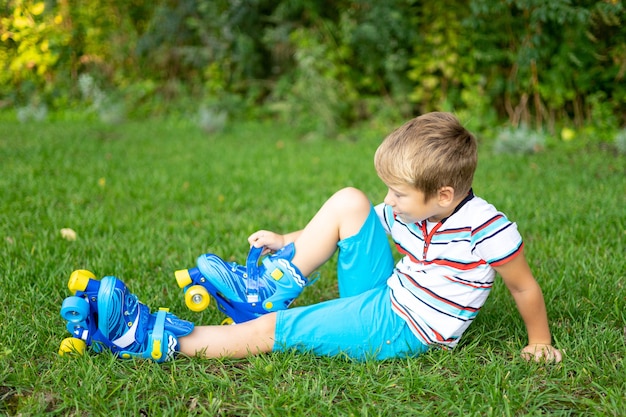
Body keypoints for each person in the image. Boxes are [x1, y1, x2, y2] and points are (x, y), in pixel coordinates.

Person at [69, 112, 562, 363]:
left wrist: (539, 341)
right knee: (350, 200)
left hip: (403, 328)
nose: (389, 202)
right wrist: (289, 237)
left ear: (444, 194)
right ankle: (267, 289)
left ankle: (152, 339)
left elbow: (523, 286)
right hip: (389, 293)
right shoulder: (415, 211)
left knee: (275, 333)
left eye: (397, 193)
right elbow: (361, 218)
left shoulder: (486, 230)